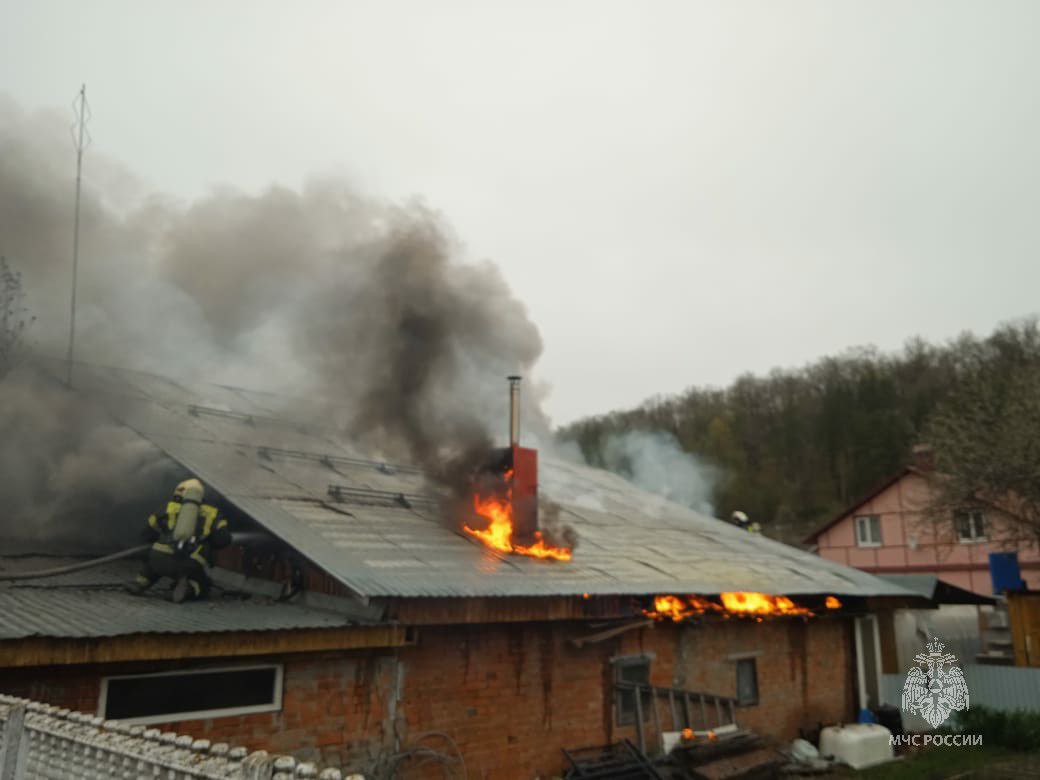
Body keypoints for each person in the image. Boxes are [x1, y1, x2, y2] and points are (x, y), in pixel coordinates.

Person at [128, 478, 231, 602]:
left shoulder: (166, 508)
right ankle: (189, 588)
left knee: (154, 563)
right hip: (188, 562)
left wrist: (146, 557)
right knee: (203, 584)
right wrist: (206, 540)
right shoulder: (212, 513)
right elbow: (223, 540)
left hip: (158, 557)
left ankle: (140, 583)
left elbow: (146, 535)